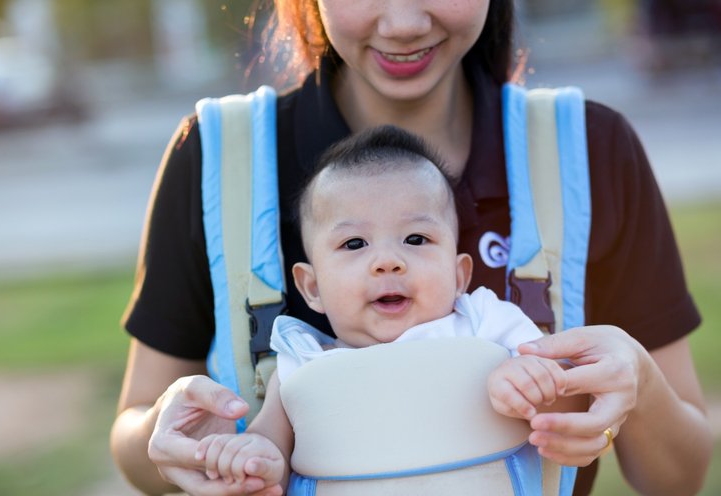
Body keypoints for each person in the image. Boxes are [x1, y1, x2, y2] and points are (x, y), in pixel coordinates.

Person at [110, 1, 712, 495]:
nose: (402, 24)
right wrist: (177, 436)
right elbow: (135, 443)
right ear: (307, 281)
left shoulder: (590, 149)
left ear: (461, 271)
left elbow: (677, 479)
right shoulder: (216, 155)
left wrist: (636, 382)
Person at [192, 124, 584, 494]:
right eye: (354, 244)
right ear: (312, 287)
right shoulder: (303, 363)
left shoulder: (485, 322)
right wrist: (251, 458)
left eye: (415, 238)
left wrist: (534, 382)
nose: (387, 261)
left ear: (459, 273)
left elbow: (573, 397)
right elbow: (270, 450)